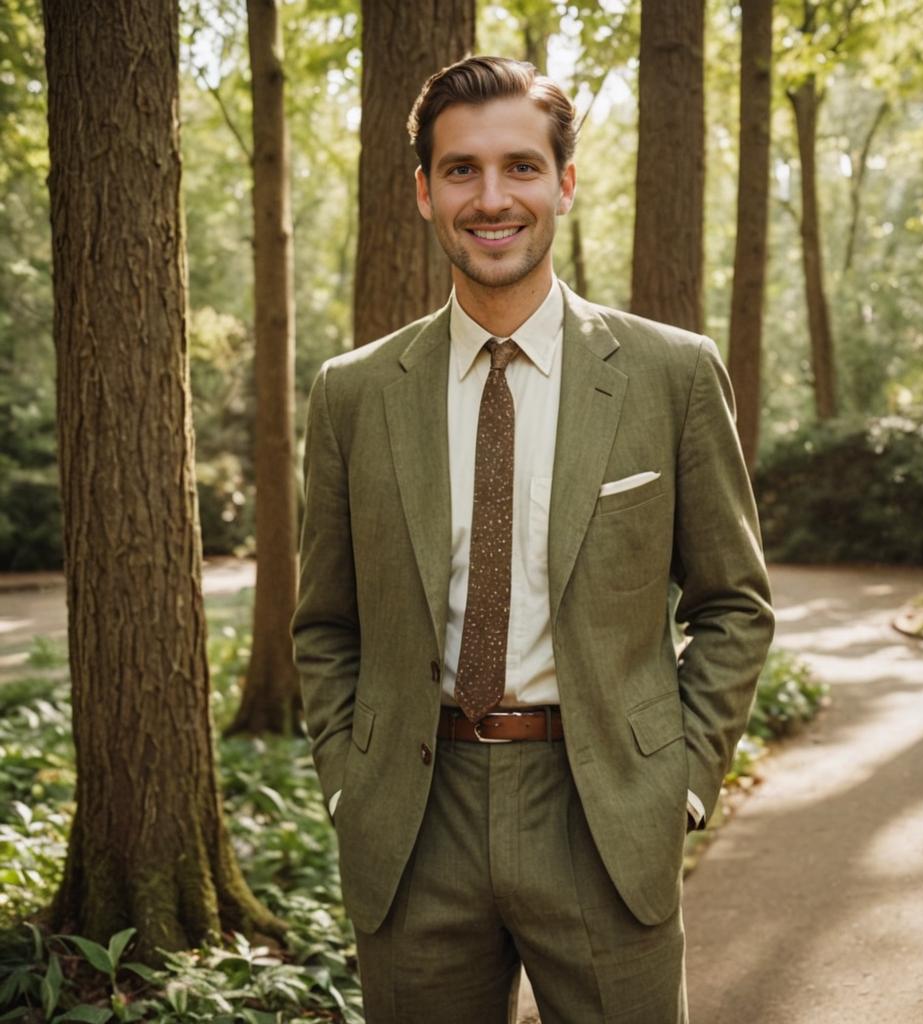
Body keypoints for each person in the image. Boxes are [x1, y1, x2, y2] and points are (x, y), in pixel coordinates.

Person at [293, 55, 774, 1024]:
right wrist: (349, 780)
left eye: (519, 165)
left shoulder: (669, 374)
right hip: (414, 818)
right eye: (461, 170)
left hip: (600, 809)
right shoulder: (352, 393)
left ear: (562, 181)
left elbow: (733, 603)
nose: (491, 196)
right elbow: (324, 624)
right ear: (425, 192)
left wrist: (677, 784)